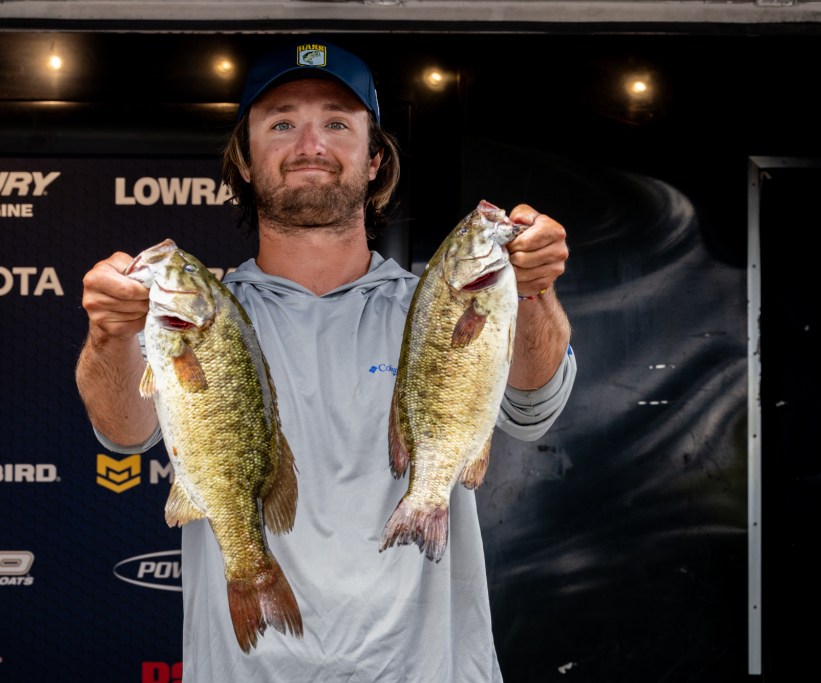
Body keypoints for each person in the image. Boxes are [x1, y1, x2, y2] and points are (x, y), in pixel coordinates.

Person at [76, 40, 576, 682]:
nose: (310, 144)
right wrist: (110, 334)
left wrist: (532, 288)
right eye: (282, 123)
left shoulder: (435, 303)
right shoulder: (202, 318)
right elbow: (123, 434)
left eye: (337, 123)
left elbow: (533, 410)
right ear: (245, 160)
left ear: (374, 159)